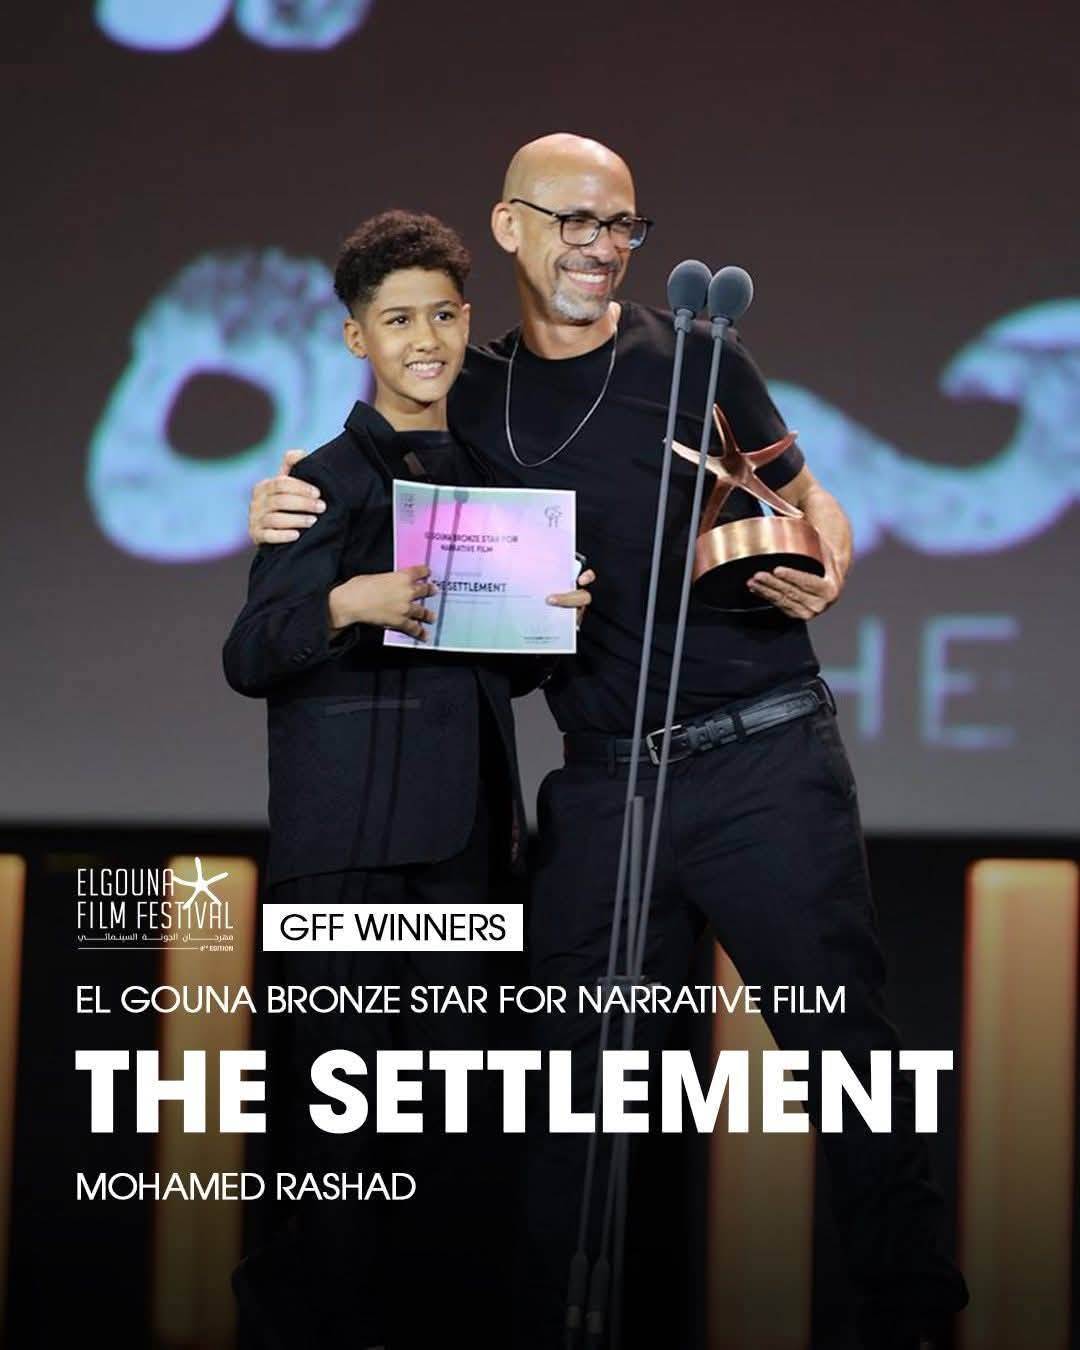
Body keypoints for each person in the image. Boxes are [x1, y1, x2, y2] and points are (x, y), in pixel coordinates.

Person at [246, 138, 968, 1349]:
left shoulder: (695, 356)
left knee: (843, 1054)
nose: (599, 246)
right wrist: (279, 494)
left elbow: (809, 492)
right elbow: (368, 462)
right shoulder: (471, 391)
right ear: (511, 228)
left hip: (764, 762)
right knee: (574, 1101)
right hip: (603, 786)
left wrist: (830, 555)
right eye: (573, 221)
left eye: (621, 225)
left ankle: (916, 1320)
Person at [223, 208, 593, 1350]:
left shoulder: (493, 483)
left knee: (455, 1135)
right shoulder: (318, 483)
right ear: (356, 338)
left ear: (467, 321)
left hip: (470, 859)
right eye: (397, 320)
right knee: (330, 1141)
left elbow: (494, 674)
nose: (424, 340)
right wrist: (350, 599)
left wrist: (556, 620)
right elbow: (251, 653)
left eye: (441, 315)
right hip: (348, 861)